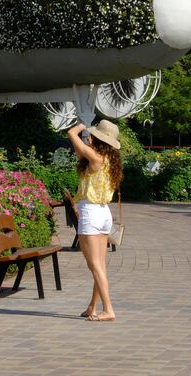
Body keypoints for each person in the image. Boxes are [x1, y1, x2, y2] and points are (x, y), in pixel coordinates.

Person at [67, 119, 123, 322]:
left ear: (98, 139)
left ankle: (108, 309)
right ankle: (93, 306)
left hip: (90, 213)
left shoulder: (96, 158)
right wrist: (88, 137)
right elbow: (79, 150)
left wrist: (81, 127)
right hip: (103, 213)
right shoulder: (109, 159)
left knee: (95, 266)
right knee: (99, 265)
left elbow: (71, 135)